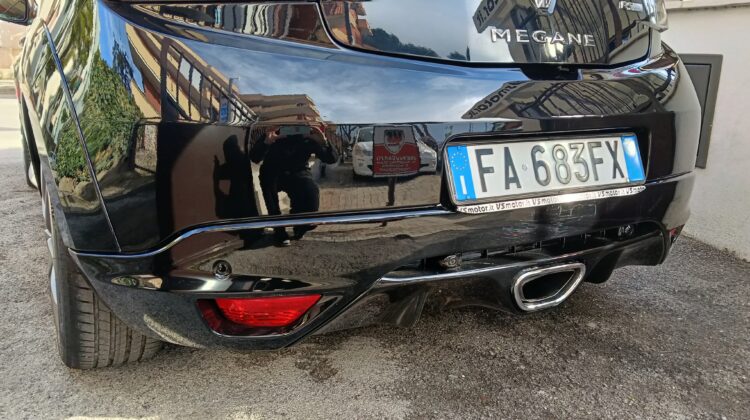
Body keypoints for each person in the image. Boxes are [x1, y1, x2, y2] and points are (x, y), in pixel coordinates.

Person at [250, 125, 338, 246]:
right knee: (270, 190)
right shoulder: (274, 131)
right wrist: (266, 142)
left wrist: (324, 142)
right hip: (272, 172)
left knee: (310, 192)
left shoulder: (308, 134)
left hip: (298, 171)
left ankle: (300, 225)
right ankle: (279, 230)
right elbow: (255, 157)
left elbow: (331, 159)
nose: (294, 127)